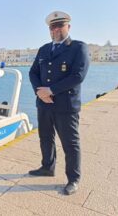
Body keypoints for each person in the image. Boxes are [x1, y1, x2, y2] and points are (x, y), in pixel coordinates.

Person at [29, 11, 90, 195]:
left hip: (65, 106)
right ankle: (47, 167)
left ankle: (73, 179)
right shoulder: (44, 49)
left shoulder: (79, 47)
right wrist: (40, 93)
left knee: (70, 144)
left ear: (68, 27)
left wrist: (51, 90)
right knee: (45, 138)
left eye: (59, 26)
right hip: (44, 104)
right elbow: (33, 73)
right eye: (52, 27)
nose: (55, 29)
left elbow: (78, 76)